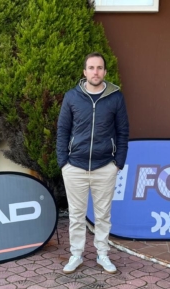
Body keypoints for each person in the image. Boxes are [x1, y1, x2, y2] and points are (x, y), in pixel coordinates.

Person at [56, 52, 129, 274]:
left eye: (99, 68)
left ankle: (102, 254)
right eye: (91, 68)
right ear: (84, 72)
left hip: (105, 166)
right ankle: (76, 255)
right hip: (74, 166)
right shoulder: (72, 97)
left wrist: (118, 163)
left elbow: (123, 131)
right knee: (76, 215)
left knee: (103, 215)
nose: (95, 72)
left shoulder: (115, 97)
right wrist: (63, 162)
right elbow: (63, 130)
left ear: (105, 72)